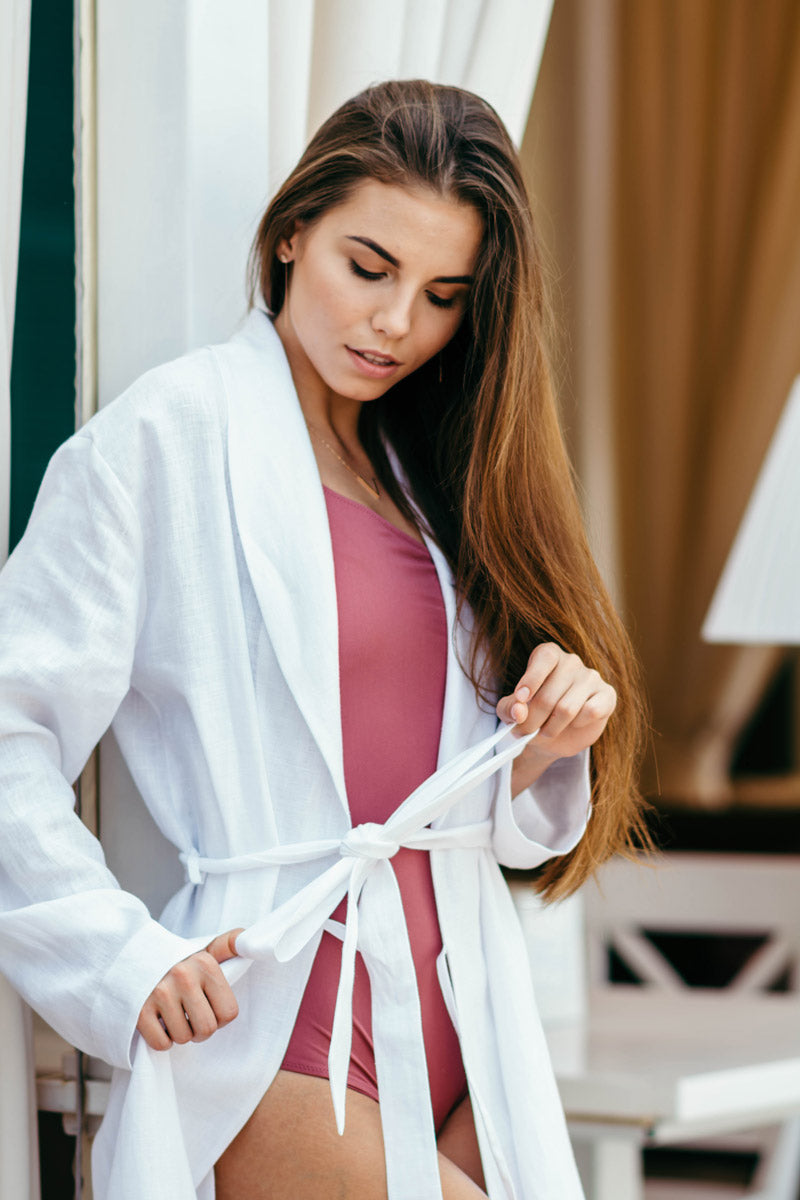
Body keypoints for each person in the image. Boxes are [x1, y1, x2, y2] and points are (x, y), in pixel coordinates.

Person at [0, 80, 647, 1199]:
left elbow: (482, 810)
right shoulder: (162, 440)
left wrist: (550, 733)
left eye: (444, 293)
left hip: (466, 1015)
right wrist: (119, 958)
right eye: (369, 267)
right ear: (293, 230)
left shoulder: (437, 474)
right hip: (279, 1024)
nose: (397, 323)